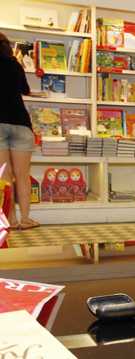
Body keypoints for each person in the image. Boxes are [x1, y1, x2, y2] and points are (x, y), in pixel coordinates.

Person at [0, 32, 39, 230]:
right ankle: (25, 220)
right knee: (23, 176)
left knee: (5, 178)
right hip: (21, 124)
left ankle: (10, 221)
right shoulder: (15, 65)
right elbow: (25, 91)